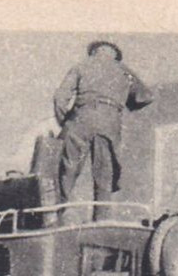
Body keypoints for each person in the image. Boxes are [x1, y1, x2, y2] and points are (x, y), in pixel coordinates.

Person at [53, 40, 153, 216]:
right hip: (110, 122)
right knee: (104, 176)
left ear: (94, 51)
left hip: (81, 118)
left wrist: (67, 123)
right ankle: (101, 222)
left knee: (66, 172)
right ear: (115, 54)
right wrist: (123, 102)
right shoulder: (123, 70)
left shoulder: (82, 65)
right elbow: (145, 96)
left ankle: (54, 217)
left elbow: (60, 98)